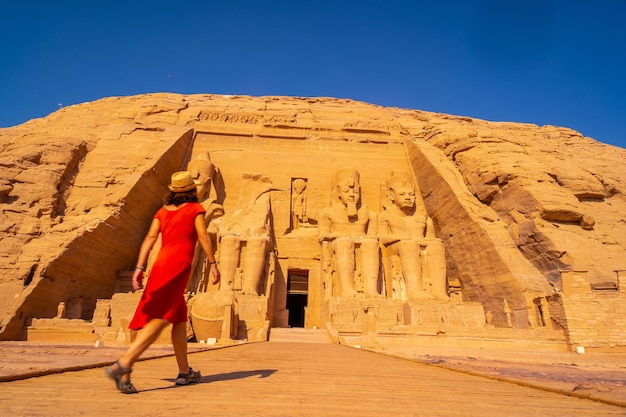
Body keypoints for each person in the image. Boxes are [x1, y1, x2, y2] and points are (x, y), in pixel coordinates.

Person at [105, 171, 221, 394]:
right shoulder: (194, 209)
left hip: (159, 264)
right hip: (179, 266)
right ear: (191, 191)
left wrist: (139, 268)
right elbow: (203, 236)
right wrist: (213, 262)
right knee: (161, 316)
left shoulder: (161, 212)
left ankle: (184, 372)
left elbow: (149, 239)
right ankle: (123, 363)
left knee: (176, 317)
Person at [318, 168, 380, 298]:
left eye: (355, 192)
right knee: (345, 243)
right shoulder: (327, 213)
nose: (352, 195)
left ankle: (371, 290)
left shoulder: (369, 214)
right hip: (338, 245)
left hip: (360, 241)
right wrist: (337, 235)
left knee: (371, 244)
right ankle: (347, 289)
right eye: (347, 191)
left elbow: (373, 236)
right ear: (339, 193)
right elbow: (323, 235)